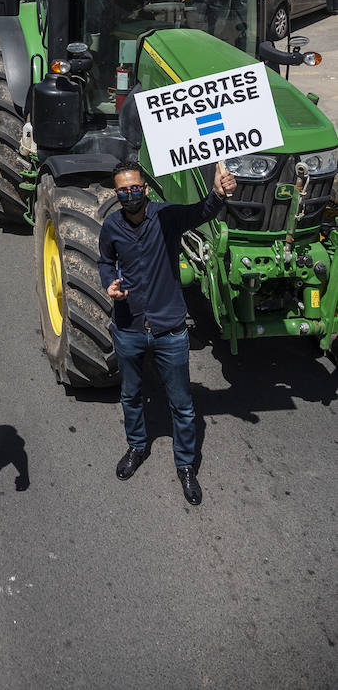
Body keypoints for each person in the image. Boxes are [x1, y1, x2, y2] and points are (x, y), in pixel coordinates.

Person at [98, 157, 236, 506]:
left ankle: (186, 466)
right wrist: (107, 283)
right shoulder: (112, 227)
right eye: (123, 190)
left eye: (136, 188)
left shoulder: (167, 216)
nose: (131, 194)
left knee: (183, 405)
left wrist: (219, 193)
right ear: (117, 193)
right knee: (130, 395)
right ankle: (137, 446)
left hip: (170, 329)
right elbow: (103, 261)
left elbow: (201, 212)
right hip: (129, 327)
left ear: (145, 188)